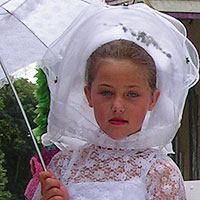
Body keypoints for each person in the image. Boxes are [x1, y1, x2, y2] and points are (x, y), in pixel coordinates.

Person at [30, 1, 199, 199]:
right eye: (106, 93)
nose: (118, 106)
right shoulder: (63, 165)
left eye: (132, 94)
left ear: (153, 99)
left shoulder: (160, 172)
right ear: (88, 95)